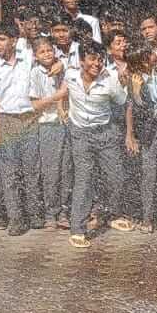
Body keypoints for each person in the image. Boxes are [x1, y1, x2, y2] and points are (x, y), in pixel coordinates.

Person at [64, 39, 131, 247]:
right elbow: (62, 92)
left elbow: (125, 103)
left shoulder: (110, 80)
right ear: (81, 61)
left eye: (100, 59)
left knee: (116, 177)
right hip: (80, 134)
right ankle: (78, 230)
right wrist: (60, 108)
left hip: (105, 133)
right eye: (92, 59)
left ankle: (111, 215)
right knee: (84, 180)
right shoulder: (70, 75)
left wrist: (128, 134)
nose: (97, 63)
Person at [0, 23, 41, 236]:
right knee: (10, 173)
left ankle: (35, 215)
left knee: (32, 170)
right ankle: (16, 219)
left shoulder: (28, 58)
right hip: (7, 121)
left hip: (29, 119)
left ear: (14, 40)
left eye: (1, 39)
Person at [125, 43, 157, 233]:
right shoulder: (134, 79)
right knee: (149, 174)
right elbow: (133, 109)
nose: (150, 60)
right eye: (144, 59)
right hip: (149, 131)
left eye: (149, 57)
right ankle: (147, 218)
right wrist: (137, 93)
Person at [29, 36, 71, 230]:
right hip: (48, 126)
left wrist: (63, 66)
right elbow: (35, 104)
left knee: (66, 169)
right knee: (50, 172)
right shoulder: (35, 73)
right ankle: (50, 213)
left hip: (67, 124)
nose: (47, 54)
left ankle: (64, 212)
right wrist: (57, 97)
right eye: (42, 51)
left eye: (49, 50)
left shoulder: (64, 68)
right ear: (35, 56)